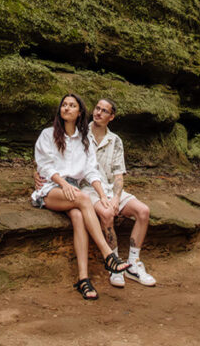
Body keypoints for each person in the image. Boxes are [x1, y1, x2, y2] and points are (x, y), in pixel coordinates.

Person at [31, 93, 131, 300]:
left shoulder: (84, 140)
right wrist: (64, 184)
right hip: (52, 188)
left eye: (71, 105)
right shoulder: (47, 134)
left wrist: (103, 195)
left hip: (73, 191)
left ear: (79, 113)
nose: (66, 108)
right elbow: (44, 166)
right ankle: (108, 255)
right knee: (84, 199)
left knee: (78, 217)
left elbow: (91, 171)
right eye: (64, 105)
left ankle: (83, 280)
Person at [83, 98, 156, 287]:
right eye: (97, 108)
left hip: (109, 187)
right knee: (107, 213)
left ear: (111, 117)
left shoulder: (115, 141)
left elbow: (118, 175)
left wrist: (116, 197)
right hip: (87, 188)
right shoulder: (81, 134)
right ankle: (114, 263)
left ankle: (133, 263)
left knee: (143, 211)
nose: (98, 112)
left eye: (104, 111)